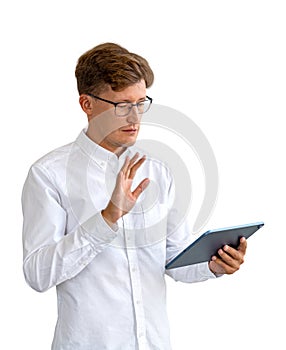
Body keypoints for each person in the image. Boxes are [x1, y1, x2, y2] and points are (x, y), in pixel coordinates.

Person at [22, 42, 247, 350]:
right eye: (122, 105)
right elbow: (37, 274)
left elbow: (172, 259)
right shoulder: (49, 175)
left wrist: (212, 265)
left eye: (141, 103)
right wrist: (107, 218)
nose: (135, 117)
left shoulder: (158, 172)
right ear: (86, 104)